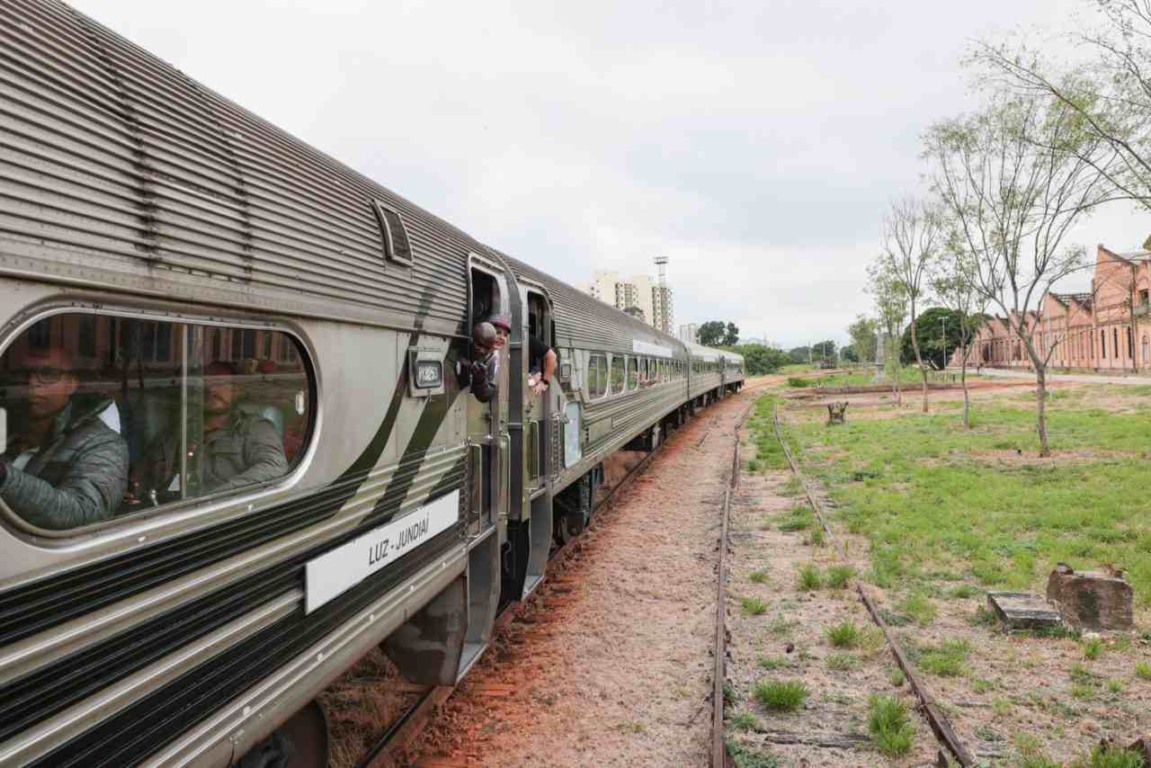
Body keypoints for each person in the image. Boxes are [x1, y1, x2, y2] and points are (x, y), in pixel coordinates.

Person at [0, 347, 129, 530]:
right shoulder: (11, 429)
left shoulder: (103, 444)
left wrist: (5, 478)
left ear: (71, 384)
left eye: (48, 373)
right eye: (24, 373)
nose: (32, 382)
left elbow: (87, 512)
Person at [195, 361, 289, 493]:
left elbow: (274, 466)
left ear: (236, 391)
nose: (211, 389)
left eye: (220, 383)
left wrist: (217, 497)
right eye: (205, 383)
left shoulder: (254, 428)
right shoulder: (180, 432)